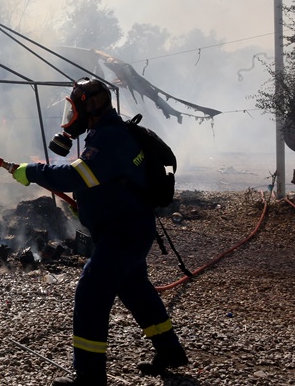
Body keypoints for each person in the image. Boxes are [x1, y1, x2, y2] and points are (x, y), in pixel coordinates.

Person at [10, 78, 189, 386]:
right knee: (137, 291)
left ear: (88, 108)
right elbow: (108, 180)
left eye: (73, 110)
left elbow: (78, 174)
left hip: (121, 234)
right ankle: (170, 352)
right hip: (130, 229)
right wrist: (89, 205)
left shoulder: (108, 139)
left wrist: (32, 171)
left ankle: (90, 378)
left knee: (91, 295)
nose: (70, 119)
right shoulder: (110, 133)